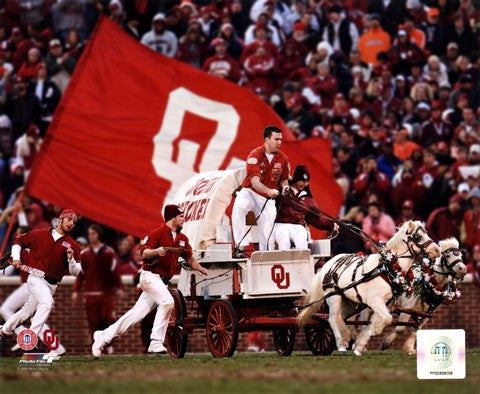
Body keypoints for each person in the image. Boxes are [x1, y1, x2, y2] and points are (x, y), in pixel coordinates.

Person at [91, 205, 208, 356]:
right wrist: (156, 252)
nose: (183, 219)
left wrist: (200, 268)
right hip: (150, 276)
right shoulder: (157, 234)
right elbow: (144, 253)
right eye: (181, 216)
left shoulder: (182, 239)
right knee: (167, 302)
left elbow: (189, 258)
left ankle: (103, 337)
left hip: (162, 282)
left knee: (135, 315)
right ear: (172, 218)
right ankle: (156, 342)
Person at [0, 209, 82, 340]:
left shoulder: (73, 245)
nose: (72, 223)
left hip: (52, 285)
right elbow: (18, 241)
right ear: (60, 220)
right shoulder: (41, 234)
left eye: (74, 222)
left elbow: (75, 272)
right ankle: (31, 338)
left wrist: (71, 260)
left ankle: (3, 331)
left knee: (26, 312)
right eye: (69, 219)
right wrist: (16, 257)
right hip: (36, 278)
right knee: (47, 303)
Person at [232, 125, 289, 255]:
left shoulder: (283, 158)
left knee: (268, 228)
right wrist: (268, 191)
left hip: (268, 198)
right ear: (267, 140)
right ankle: (240, 246)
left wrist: (285, 187)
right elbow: (254, 181)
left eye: (280, 139)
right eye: (276, 139)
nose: (279, 142)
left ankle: (265, 253)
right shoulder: (255, 155)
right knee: (239, 208)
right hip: (250, 192)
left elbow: (284, 179)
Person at [71, 224, 123, 346]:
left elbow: (115, 272)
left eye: (93, 233)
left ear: (98, 235)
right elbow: (80, 275)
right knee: (93, 323)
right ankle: (96, 348)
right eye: (89, 234)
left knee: (109, 321)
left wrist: (119, 287)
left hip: (106, 295)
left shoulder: (108, 252)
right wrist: (75, 290)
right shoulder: (84, 254)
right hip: (90, 295)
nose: (91, 236)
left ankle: (107, 346)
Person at [274, 165, 338, 250]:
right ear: (296, 179)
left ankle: (302, 261)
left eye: (307, 181)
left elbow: (316, 219)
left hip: (298, 226)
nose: (305, 184)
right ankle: (284, 261)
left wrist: (331, 225)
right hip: (280, 224)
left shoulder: (308, 199)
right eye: (302, 181)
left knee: (301, 239)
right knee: (284, 239)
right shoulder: (282, 190)